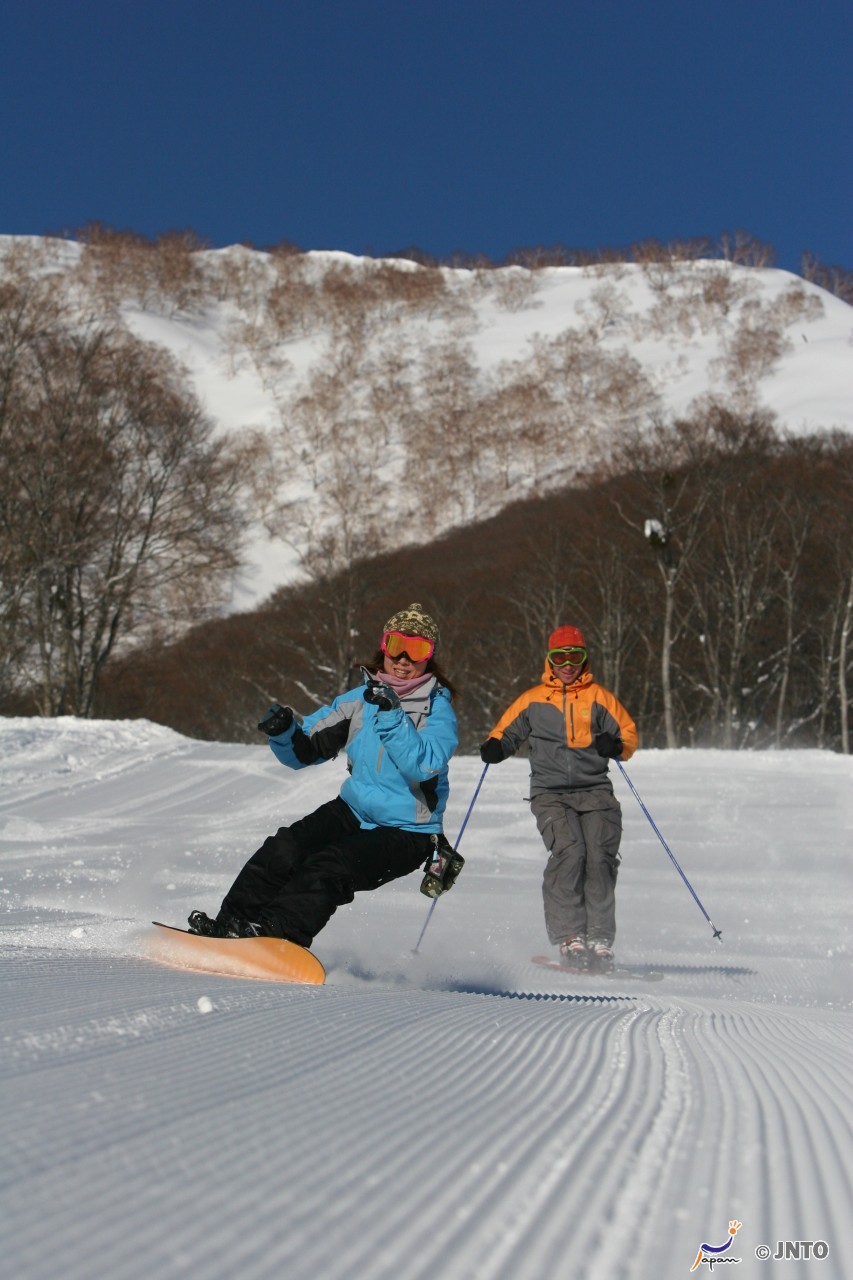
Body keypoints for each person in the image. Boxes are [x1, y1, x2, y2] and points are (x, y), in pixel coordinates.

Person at [188, 604, 458, 948]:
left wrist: (392, 714)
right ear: (384, 646)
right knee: (286, 847)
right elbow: (307, 750)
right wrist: (285, 733)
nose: (404, 659)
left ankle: (278, 937)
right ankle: (231, 925)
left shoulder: (438, 711)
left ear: (429, 657)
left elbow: (422, 765)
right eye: (396, 646)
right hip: (353, 811)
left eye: (416, 649)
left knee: (330, 866)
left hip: (407, 831)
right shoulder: (359, 700)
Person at [479, 625, 638, 971]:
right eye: (560, 657)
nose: (568, 664)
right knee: (570, 852)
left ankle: (599, 938)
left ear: (584, 659)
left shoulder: (599, 697)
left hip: (595, 791)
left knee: (599, 856)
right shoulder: (533, 700)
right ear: (550, 660)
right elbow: (506, 732)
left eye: (575, 656)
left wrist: (617, 746)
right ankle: (570, 935)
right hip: (551, 794)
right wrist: (496, 747)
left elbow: (627, 734)